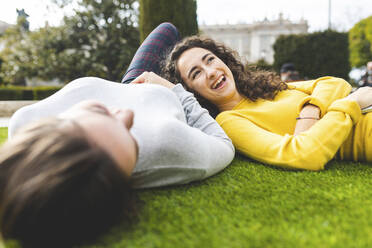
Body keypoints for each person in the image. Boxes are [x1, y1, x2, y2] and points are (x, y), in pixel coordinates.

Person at [0, 23, 234, 248]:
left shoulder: (25, 122)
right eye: (132, 142)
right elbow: (223, 144)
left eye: (100, 110)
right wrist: (175, 91)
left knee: (167, 30)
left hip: (135, 80)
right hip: (175, 98)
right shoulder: (169, 142)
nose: (128, 114)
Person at [158, 28, 372, 171]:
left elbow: (333, 83)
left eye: (210, 60)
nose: (211, 72)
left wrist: (310, 110)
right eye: (196, 73)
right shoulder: (229, 121)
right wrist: (350, 104)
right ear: (191, 91)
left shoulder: (265, 86)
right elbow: (303, 154)